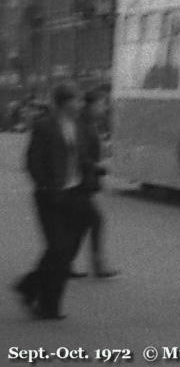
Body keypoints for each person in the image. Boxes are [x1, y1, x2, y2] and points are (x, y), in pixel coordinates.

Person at [12, 82, 90, 320]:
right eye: (76, 100)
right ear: (64, 103)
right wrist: (47, 188)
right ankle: (47, 305)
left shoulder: (79, 126)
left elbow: (82, 156)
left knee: (63, 251)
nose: (80, 104)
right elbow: (33, 162)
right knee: (58, 248)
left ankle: (30, 286)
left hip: (75, 193)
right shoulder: (44, 126)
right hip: (50, 197)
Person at [69, 88, 118, 278]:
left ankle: (66, 263)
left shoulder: (88, 123)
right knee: (95, 221)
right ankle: (98, 266)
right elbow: (80, 156)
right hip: (80, 183)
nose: (104, 108)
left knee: (80, 225)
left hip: (83, 182)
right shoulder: (82, 125)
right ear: (91, 105)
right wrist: (99, 168)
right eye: (101, 104)